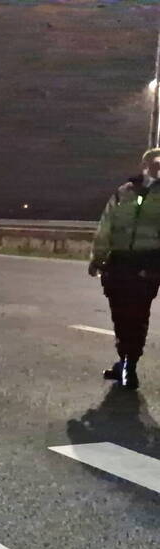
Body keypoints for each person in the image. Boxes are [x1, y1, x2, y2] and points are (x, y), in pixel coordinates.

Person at [89, 147, 160, 389]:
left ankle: (130, 364)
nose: (159, 167)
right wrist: (97, 258)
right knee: (120, 314)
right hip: (118, 263)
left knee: (138, 315)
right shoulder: (124, 192)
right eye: (156, 162)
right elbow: (106, 225)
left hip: (147, 265)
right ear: (145, 165)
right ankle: (124, 361)